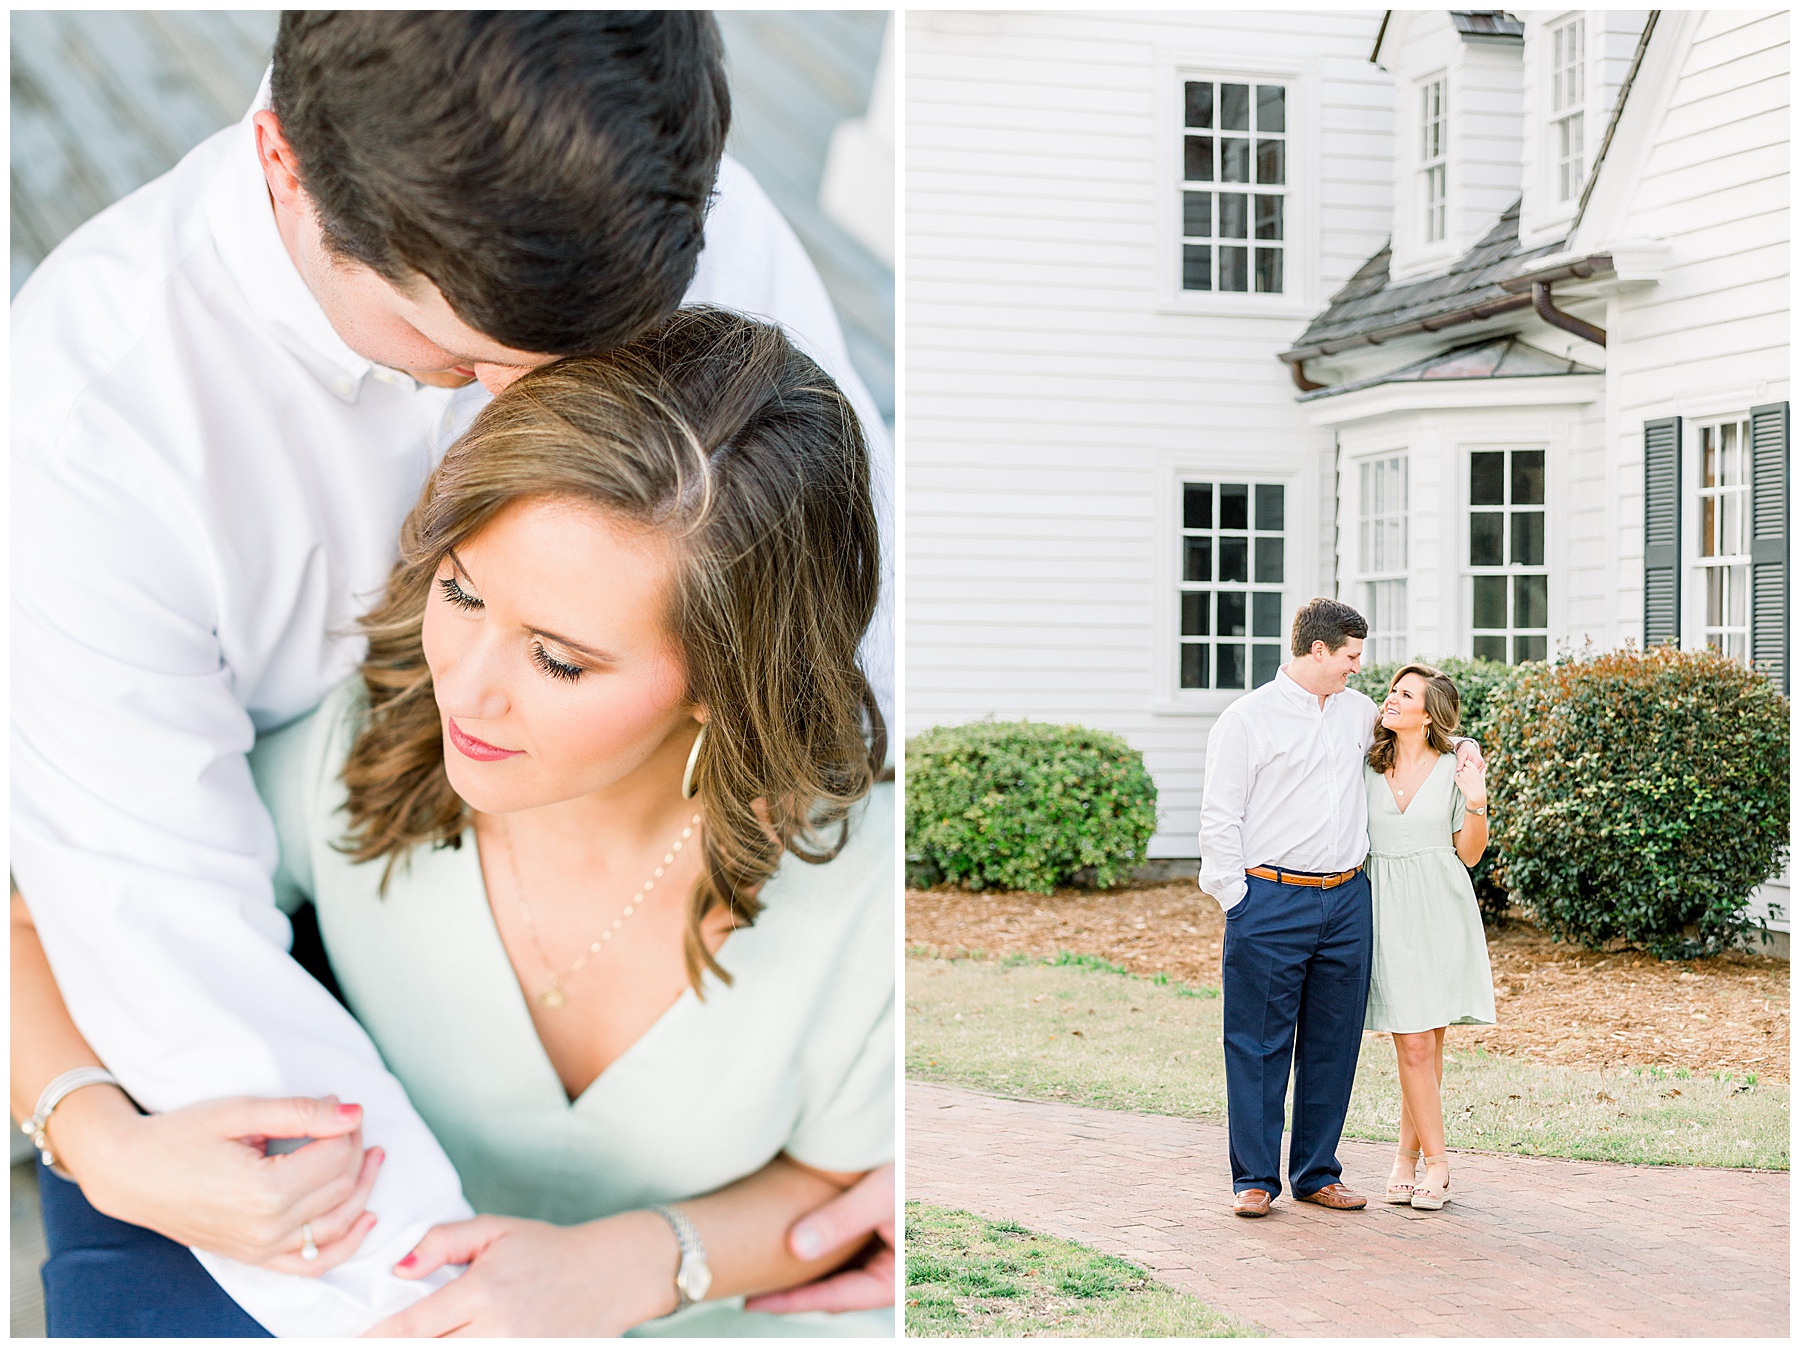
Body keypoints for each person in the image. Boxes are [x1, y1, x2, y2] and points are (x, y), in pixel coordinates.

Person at [11, 12, 892, 1335]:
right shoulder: (92, 415)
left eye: (589, 353)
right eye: (467, 352)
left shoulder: (641, 204)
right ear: (283, 164)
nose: (515, 409)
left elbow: (828, 598)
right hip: (256, 919)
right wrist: (86, 1123)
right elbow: (121, 902)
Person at [1197, 598, 1479, 1218]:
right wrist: (1237, 900)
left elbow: (1422, 739)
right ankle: (1253, 1180)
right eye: (1351, 656)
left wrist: (1466, 750)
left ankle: (1317, 1172)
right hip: (1269, 898)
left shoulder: (1358, 716)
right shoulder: (1247, 721)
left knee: (1333, 1043)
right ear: (1319, 651)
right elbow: (1220, 818)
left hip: (1349, 900)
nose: (1359, 669)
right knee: (1258, 1043)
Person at [1363, 664, 1496, 1212]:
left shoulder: (1454, 768)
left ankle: (1422, 1163)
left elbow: (1469, 854)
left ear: (1429, 712)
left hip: (1441, 908)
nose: (1391, 699)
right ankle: (1418, 1160)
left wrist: (1476, 797)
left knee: (1426, 1043)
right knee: (1414, 1042)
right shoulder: (1368, 761)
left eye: (1405, 694)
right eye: (1392, 690)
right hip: (1383, 908)